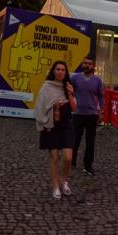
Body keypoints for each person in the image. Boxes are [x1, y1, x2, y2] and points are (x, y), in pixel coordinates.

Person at [35, 60, 78, 199]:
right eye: (58, 69)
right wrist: (44, 124)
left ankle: (64, 180)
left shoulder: (68, 87)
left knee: (68, 158)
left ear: (66, 72)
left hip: (66, 124)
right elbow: (39, 106)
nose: (60, 72)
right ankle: (55, 187)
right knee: (54, 157)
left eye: (63, 70)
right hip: (51, 125)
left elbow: (74, 108)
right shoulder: (46, 87)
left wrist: (70, 94)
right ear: (53, 71)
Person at [70, 56, 104, 175]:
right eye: (85, 63)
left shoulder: (97, 81)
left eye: (89, 64)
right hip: (77, 114)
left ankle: (88, 165)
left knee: (90, 142)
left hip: (92, 115)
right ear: (82, 64)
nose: (87, 65)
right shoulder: (75, 78)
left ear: (93, 66)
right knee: (75, 140)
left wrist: (101, 112)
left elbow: (100, 96)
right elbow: (69, 93)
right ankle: (71, 161)